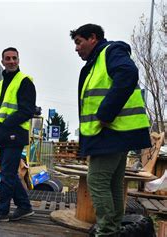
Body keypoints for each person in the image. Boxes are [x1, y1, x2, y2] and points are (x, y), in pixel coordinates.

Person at [70, 24, 151, 236]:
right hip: (113, 133)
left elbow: (128, 73)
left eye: (79, 42)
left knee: (96, 180)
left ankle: (106, 230)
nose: (76, 48)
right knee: (113, 182)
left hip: (110, 131)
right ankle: (113, 227)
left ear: (93, 38)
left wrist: (106, 113)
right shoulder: (97, 62)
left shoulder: (111, 52)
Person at [0, 47, 36, 223]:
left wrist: (5, 125)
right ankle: (24, 206)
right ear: (2, 61)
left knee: (6, 174)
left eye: (14, 58)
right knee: (9, 173)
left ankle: (2, 211)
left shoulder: (25, 81)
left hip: (14, 133)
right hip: (3, 134)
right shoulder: (0, 84)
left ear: (19, 60)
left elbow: (27, 111)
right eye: (8, 58)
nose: (11, 61)